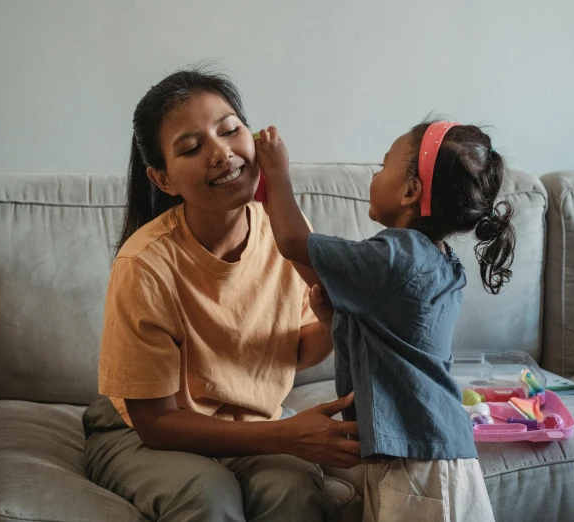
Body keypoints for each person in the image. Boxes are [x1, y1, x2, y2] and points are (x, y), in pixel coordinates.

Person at [82, 67, 367, 522]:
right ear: (163, 180)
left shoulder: (287, 234)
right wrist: (285, 436)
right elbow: (155, 422)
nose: (220, 152)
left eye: (231, 129)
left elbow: (289, 349)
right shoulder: (145, 265)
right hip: (142, 431)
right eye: (192, 148)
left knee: (294, 492)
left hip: (251, 425)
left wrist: (335, 323)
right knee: (207, 496)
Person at [256, 120, 513, 521]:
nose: (374, 176)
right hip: (426, 455)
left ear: (411, 191)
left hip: (419, 464)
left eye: (382, 166)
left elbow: (291, 242)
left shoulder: (397, 254)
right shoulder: (438, 261)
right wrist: (338, 317)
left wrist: (277, 173)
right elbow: (392, 337)